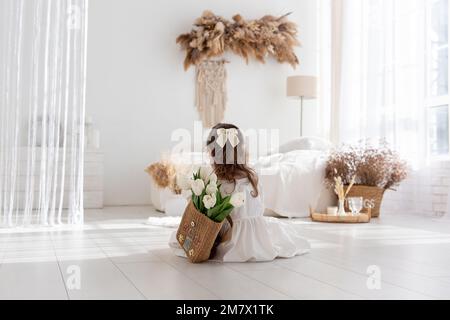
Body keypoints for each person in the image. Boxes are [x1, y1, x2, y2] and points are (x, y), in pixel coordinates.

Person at [170, 123, 310, 262]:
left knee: (181, 237)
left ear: (213, 153)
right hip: (256, 237)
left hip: (228, 237)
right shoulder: (252, 178)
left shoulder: (215, 182)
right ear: (241, 152)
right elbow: (260, 208)